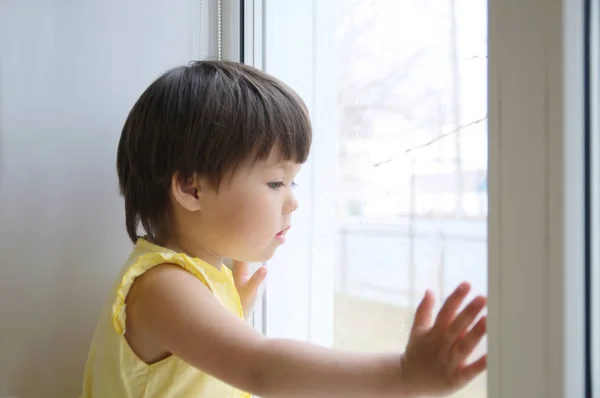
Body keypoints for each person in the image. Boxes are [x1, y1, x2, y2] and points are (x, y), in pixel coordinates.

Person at [80, 60, 487, 398]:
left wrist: (228, 310)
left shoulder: (193, 283)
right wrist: (401, 374)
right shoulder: (163, 288)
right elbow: (262, 369)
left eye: (293, 183)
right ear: (191, 187)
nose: (292, 201)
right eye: (276, 182)